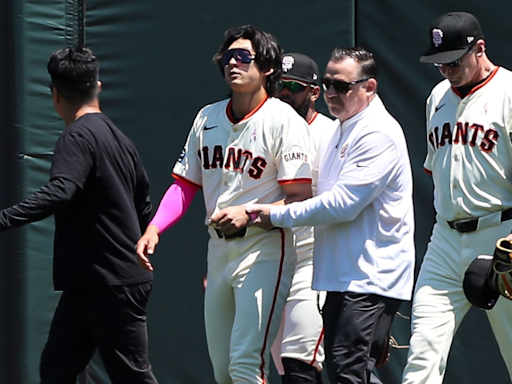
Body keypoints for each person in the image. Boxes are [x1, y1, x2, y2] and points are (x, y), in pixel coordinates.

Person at [212, 47, 415, 384]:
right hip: (340, 273)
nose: (332, 93)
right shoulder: (341, 127)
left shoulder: (377, 132)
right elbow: (312, 192)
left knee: (346, 368)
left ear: (369, 87)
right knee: (347, 368)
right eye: (328, 83)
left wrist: (268, 215)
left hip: (371, 274)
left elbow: (342, 205)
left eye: (341, 86)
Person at [135, 25, 313, 384]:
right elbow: (184, 186)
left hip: (265, 249)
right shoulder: (208, 117)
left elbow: (299, 197)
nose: (234, 62)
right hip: (218, 253)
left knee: (246, 364)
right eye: (229, 56)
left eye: (245, 57)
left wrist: (250, 215)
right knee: (223, 372)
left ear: (267, 68)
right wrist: (155, 227)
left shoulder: (283, 120)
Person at [0, 47, 157, 383]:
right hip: (91, 281)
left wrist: (3, 218)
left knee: (132, 377)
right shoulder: (119, 139)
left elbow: (61, 190)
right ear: (97, 85)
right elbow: (143, 201)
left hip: (111, 283)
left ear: (54, 95)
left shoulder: (76, 137)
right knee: (57, 368)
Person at [401, 11, 512, 384]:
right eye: (439, 63)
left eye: (453, 61)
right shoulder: (437, 97)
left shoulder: (509, 93)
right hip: (445, 241)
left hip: (502, 235)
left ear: (480, 49)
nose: (445, 70)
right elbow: (439, 170)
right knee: (422, 354)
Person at [270, 52, 334, 384]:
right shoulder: (263, 127)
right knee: (274, 365)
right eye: (278, 84)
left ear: (314, 92)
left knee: (300, 362)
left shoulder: (332, 134)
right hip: (269, 256)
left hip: (314, 260)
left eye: (293, 86)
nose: (283, 92)